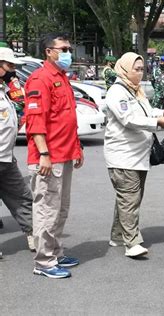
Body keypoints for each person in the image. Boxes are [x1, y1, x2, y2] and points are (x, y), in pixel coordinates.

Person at [24, 32, 84, 279]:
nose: (68, 53)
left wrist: (77, 148)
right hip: (49, 157)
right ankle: (44, 261)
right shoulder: (40, 79)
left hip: (65, 153)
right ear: (49, 51)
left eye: (69, 48)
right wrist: (44, 154)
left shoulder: (61, 78)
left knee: (60, 208)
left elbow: (67, 119)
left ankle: (56, 252)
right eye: (64, 48)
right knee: (47, 209)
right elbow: (35, 122)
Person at [104, 52, 164, 258]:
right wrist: (158, 123)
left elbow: (146, 112)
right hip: (123, 155)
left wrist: (163, 114)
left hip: (137, 155)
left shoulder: (135, 91)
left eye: (142, 69)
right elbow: (129, 119)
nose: (140, 73)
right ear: (125, 69)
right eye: (136, 69)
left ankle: (118, 235)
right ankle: (132, 243)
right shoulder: (117, 92)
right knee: (129, 198)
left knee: (128, 198)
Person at [0, 47, 35, 252]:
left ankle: (35, 235)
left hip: (6, 157)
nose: (14, 71)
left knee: (22, 198)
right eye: (10, 66)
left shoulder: (4, 91)